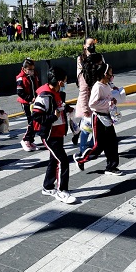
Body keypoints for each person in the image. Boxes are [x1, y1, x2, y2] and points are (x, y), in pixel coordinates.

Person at [32, 66, 77, 204]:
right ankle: (62, 191)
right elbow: (36, 116)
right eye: (64, 80)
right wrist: (53, 116)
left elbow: (59, 107)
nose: (66, 83)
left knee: (54, 160)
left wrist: (67, 109)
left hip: (58, 132)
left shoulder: (57, 93)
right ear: (59, 82)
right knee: (62, 160)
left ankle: (47, 186)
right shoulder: (45, 95)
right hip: (50, 134)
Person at [73, 61, 122, 175]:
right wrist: (108, 102)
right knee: (98, 145)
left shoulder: (106, 85)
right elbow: (92, 104)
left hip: (107, 117)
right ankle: (81, 159)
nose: (111, 76)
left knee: (113, 142)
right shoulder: (97, 87)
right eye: (110, 74)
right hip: (98, 118)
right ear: (104, 75)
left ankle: (111, 166)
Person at [74, 39, 98, 151]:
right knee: (87, 126)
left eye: (94, 44)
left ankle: (93, 144)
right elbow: (83, 89)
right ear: (84, 46)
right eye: (90, 44)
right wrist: (84, 108)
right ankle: (83, 149)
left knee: (96, 125)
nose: (92, 46)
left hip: (98, 98)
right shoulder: (81, 60)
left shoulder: (99, 57)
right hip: (88, 100)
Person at [16, 58, 40, 152]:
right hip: (26, 103)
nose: (32, 71)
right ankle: (26, 139)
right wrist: (30, 99)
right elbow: (20, 92)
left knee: (35, 121)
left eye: (33, 69)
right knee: (31, 122)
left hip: (34, 102)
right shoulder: (20, 78)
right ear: (24, 69)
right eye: (29, 69)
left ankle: (30, 140)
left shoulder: (34, 76)